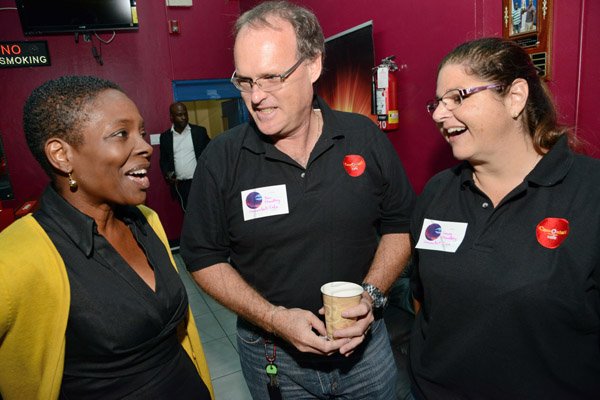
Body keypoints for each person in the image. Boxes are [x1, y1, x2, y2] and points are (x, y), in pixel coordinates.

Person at [181, 1, 415, 398]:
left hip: (367, 353)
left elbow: (399, 225)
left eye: (271, 78)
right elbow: (203, 258)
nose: (256, 97)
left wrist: (371, 295)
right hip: (272, 358)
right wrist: (272, 318)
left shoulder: (364, 137)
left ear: (312, 66)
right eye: (246, 81)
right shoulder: (222, 158)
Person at [0, 76, 213, 399]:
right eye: (121, 134)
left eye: (141, 132)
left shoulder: (147, 222)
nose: (144, 146)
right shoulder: (14, 258)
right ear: (61, 155)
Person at [412, 37, 600, 399]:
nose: (438, 114)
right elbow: (424, 300)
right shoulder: (437, 192)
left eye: (458, 97)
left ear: (514, 97)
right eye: (437, 102)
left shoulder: (590, 192)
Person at [159, 102, 210, 212]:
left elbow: (210, 154)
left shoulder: (199, 132)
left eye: (185, 114)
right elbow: (163, 160)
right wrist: (167, 174)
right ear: (172, 117)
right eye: (179, 115)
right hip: (180, 185)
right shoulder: (165, 137)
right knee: (188, 214)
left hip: (198, 181)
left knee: (204, 212)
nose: (183, 117)